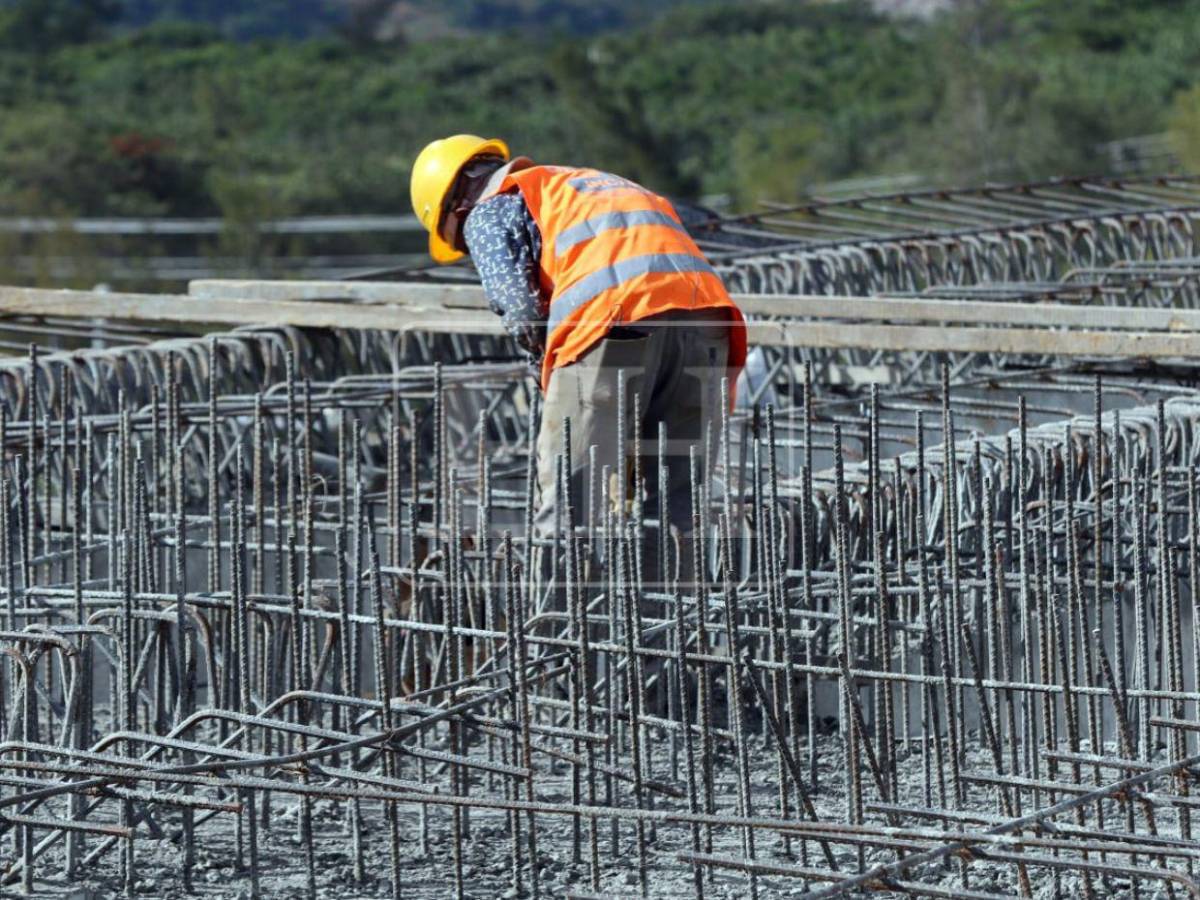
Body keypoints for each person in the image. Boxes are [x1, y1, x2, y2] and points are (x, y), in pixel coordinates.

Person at [410, 134, 746, 594]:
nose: (470, 251)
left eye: (462, 246)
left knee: (571, 508)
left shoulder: (490, 208)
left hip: (613, 322)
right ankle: (666, 652)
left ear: (456, 207)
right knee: (676, 506)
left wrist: (551, 384)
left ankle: (554, 652)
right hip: (709, 325)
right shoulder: (583, 183)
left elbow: (521, 310)